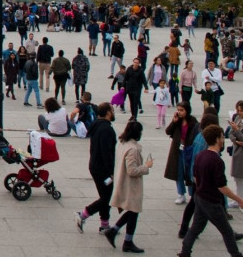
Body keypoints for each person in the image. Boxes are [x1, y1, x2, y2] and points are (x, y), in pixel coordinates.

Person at [178, 125, 243, 257]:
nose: (223, 140)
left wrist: (201, 188)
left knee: (196, 228)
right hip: (211, 201)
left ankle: (185, 252)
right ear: (217, 139)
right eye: (222, 137)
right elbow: (221, 187)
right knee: (227, 232)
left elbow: (195, 177)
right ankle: (236, 255)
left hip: (199, 197)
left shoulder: (200, 155)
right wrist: (240, 200)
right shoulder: (216, 160)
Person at [105, 120, 154, 253]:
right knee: (134, 211)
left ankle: (115, 231)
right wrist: (146, 166)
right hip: (130, 185)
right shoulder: (133, 149)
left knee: (133, 211)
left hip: (122, 181)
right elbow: (132, 170)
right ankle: (126, 240)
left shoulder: (122, 143)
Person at [75, 102, 117, 234]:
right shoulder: (106, 129)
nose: (114, 112)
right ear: (108, 112)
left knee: (105, 196)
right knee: (106, 198)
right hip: (102, 169)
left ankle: (104, 225)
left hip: (94, 165)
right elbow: (106, 152)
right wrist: (111, 172)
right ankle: (83, 214)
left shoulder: (96, 125)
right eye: (112, 110)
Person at [165, 102, 200, 205]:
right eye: (178, 110)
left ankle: (191, 193)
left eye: (181, 110)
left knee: (189, 172)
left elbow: (197, 134)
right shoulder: (177, 121)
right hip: (177, 150)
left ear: (187, 110)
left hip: (189, 150)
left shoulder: (193, 121)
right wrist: (173, 122)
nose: (179, 112)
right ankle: (181, 194)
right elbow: (168, 131)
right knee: (178, 172)